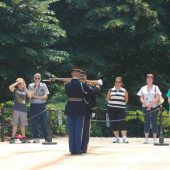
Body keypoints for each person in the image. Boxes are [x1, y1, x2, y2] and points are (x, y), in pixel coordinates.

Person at [81, 69, 102, 153]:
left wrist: (94, 108)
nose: (82, 76)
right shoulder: (78, 84)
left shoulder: (89, 84)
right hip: (78, 108)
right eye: (80, 75)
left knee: (86, 129)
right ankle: (78, 145)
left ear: (86, 76)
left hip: (87, 109)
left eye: (83, 75)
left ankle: (84, 147)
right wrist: (98, 85)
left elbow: (93, 95)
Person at [137, 74, 162, 144]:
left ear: (152, 80)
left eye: (150, 79)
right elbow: (141, 98)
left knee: (154, 121)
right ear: (146, 80)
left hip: (154, 106)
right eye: (148, 79)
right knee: (146, 122)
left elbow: (158, 97)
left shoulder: (156, 87)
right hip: (145, 106)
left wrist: (150, 104)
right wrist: (146, 104)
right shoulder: (143, 88)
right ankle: (146, 139)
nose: (149, 80)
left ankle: (155, 139)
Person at [106, 76, 129, 143]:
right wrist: (112, 104)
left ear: (121, 83)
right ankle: (116, 138)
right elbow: (107, 99)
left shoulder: (124, 90)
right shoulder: (111, 90)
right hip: (111, 109)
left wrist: (120, 104)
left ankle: (124, 138)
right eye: (116, 82)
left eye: (118, 82)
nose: (117, 83)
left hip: (121, 109)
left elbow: (126, 100)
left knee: (122, 123)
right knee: (113, 123)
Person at [28, 73, 50, 143]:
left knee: (44, 122)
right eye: (36, 78)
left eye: (38, 78)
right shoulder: (30, 85)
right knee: (34, 123)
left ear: (40, 79)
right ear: (33, 79)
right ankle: (36, 138)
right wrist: (36, 87)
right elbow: (30, 96)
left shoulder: (44, 85)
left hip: (41, 106)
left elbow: (46, 97)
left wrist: (36, 97)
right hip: (33, 106)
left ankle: (46, 138)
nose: (37, 79)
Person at [9, 78, 32, 143]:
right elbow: (10, 87)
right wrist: (17, 83)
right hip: (16, 109)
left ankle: (24, 137)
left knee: (23, 124)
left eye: (21, 82)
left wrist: (25, 88)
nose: (20, 84)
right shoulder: (15, 90)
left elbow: (30, 96)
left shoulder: (25, 91)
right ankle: (12, 138)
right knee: (15, 124)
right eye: (19, 83)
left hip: (23, 110)